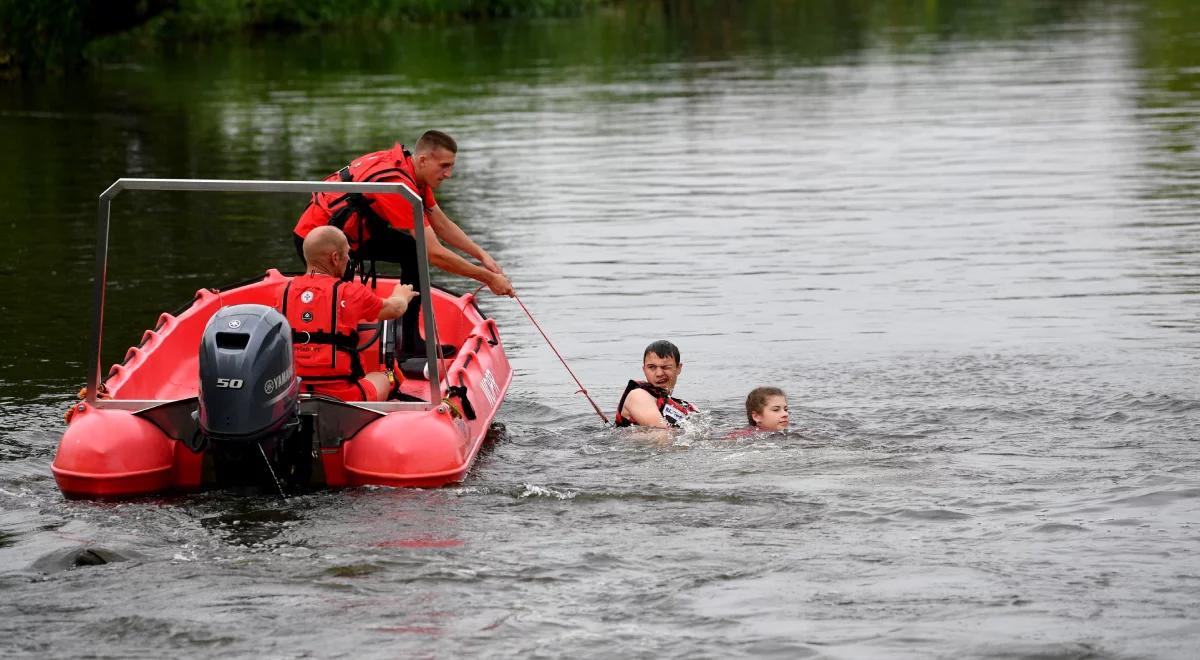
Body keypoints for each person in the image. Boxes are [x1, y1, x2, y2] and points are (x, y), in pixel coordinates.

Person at [293, 130, 514, 359]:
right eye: (444, 166)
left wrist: (482, 256)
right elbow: (435, 254)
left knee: (411, 251)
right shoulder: (397, 186)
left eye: (451, 166)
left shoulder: (413, 174)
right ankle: (329, 353)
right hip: (316, 240)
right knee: (338, 300)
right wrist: (488, 279)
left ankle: (409, 343)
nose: (449, 174)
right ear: (423, 160)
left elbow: (442, 224)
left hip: (351, 235)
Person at [279, 226, 420, 402]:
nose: (348, 259)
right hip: (343, 396)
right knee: (383, 377)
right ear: (335, 258)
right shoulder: (351, 293)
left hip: (293, 392)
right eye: (347, 254)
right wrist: (402, 294)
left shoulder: (282, 292)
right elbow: (395, 309)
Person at [614, 340, 698, 428]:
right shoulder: (638, 396)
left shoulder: (690, 408)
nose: (659, 373)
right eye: (652, 367)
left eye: (665, 367)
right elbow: (661, 437)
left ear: (678, 368)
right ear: (644, 370)